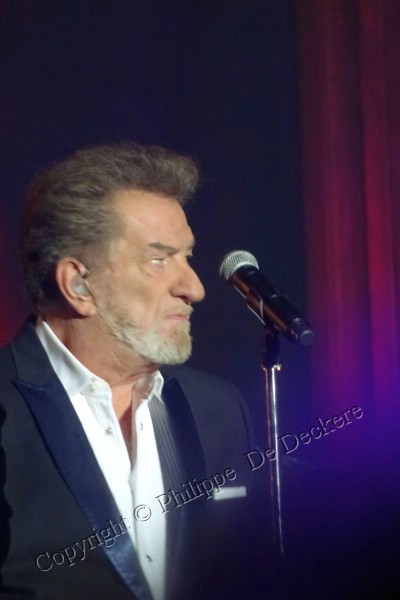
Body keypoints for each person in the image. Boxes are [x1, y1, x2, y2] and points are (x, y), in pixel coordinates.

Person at [0, 143, 266, 599]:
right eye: (158, 260)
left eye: (187, 258)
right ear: (79, 285)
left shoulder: (217, 409)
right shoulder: (9, 410)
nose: (194, 287)